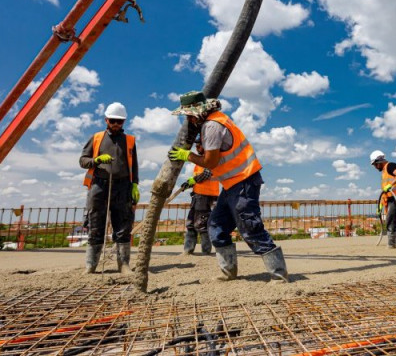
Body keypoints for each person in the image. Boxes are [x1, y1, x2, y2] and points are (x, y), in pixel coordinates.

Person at [168, 91, 289, 283]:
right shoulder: (214, 121)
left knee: (250, 228)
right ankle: (228, 272)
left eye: (189, 116)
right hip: (232, 184)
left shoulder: (212, 126)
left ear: (197, 112)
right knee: (216, 226)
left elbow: (211, 161)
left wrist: (187, 155)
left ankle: (279, 275)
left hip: (243, 182)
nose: (189, 120)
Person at [79, 102, 140, 274]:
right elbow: (83, 160)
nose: (115, 124)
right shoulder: (97, 137)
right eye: (112, 121)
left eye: (119, 122)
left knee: (123, 225)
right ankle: (91, 266)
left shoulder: (129, 141)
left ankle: (124, 265)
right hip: (99, 184)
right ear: (106, 120)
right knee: (96, 224)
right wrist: (96, 161)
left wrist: (135, 183)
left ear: (124, 122)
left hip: (122, 186)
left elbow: (133, 165)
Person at [181, 136, 220, 256]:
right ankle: (188, 250)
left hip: (206, 196)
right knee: (191, 223)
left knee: (202, 224)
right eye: (196, 146)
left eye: (199, 146)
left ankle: (206, 251)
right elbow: (199, 178)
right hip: (198, 196)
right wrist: (189, 183)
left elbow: (207, 174)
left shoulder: (211, 159)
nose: (197, 148)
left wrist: (193, 180)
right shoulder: (199, 161)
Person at [369, 150, 396, 249]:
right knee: (393, 220)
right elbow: (385, 192)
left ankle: (391, 244)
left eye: (375, 165)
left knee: (390, 220)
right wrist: (380, 206)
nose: (375, 167)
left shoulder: (390, 166)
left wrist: (391, 184)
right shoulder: (385, 172)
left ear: (379, 162)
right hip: (391, 198)